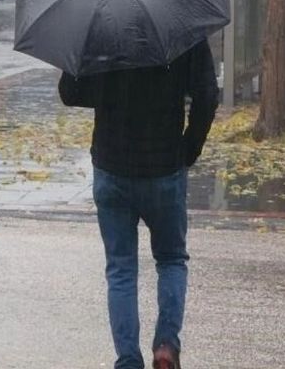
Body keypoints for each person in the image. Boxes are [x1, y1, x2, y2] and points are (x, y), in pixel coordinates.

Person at [58, 39, 219, 369]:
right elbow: (207, 95)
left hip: (112, 165)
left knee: (121, 269)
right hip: (164, 166)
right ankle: (165, 344)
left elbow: (71, 93)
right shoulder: (181, 30)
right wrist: (189, 148)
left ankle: (128, 360)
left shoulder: (101, 27)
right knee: (171, 259)